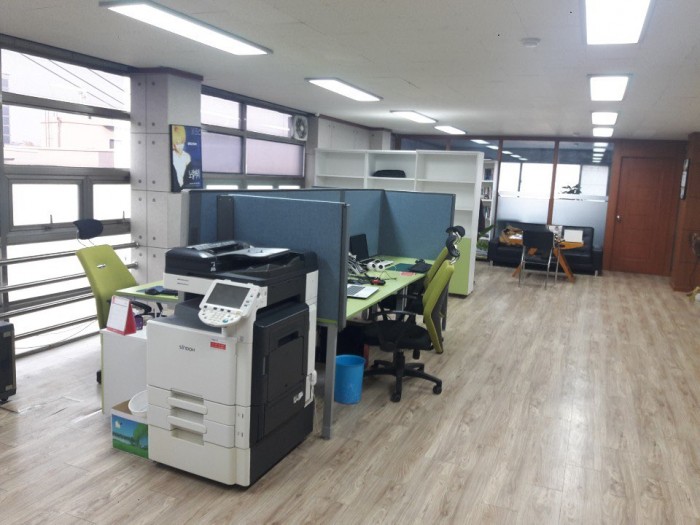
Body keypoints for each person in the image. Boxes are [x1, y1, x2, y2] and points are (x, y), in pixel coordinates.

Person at [171, 125, 191, 191]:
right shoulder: (172, 156)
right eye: (177, 143)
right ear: (173, 145)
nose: (180, 146)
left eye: (182, 142)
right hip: (176, 187)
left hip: (183, 187)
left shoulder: (187, 157)